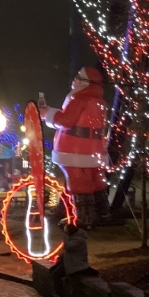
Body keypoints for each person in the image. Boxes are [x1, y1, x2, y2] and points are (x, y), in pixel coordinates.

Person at [40, 67, 111, 227]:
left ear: (86, 83)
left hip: (75, 149)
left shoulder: (79, 100)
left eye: (79, 77)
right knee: (96, 182)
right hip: (96, 149)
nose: (75, 79)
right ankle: (103, 213)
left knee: (79, 183)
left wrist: (47, 113)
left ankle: (83, 218)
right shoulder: (100, 102)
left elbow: (66, 121)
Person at [49, 221, 98, 296]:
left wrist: (65, 236)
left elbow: (68, 247)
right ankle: (57, 291)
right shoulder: (72, 238)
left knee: (56, 275)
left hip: (75, 265)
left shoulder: (78, 240)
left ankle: (60, 293)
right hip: (69, 263)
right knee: (52, 271)